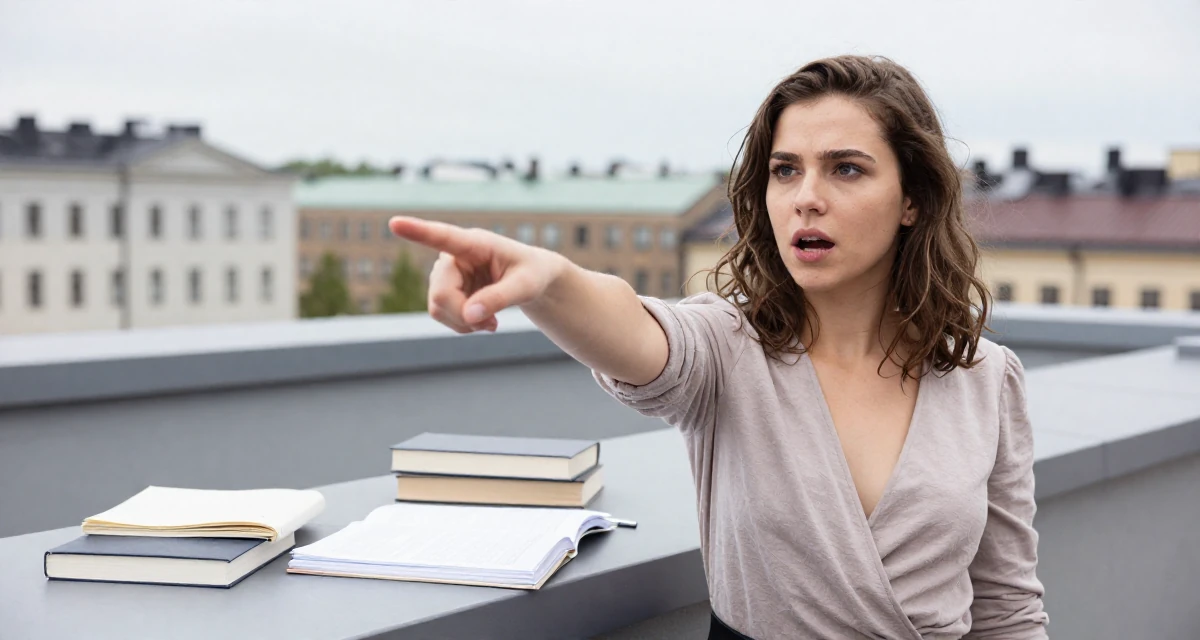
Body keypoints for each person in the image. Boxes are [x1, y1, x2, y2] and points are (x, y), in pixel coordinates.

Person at [390, 55, 1048, 639]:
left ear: (912, 198)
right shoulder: (731, 349)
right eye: (785, 171)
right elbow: (638, 332)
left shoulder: (986, 377)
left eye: (846, 169)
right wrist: (549, 282)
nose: (806, 199)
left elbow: (1007, 608)